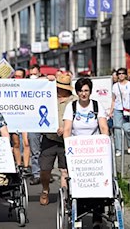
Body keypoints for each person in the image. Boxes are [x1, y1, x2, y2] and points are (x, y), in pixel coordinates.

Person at [63, 77, 109, 229]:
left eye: (86, 91)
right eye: (81, 91)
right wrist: (67, 145)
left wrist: (105, 143)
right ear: (77, 92)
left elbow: (103, 127)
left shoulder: (97, 106)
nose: (83, 94)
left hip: (94, 148)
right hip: (77, 148)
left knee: (97, 179)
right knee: (79, 179)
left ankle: (97, 215)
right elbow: (67, 129)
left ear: (90, 91)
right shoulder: (72, 106)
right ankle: (79, 209)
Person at [38, 73, 76, 206]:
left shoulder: (73, 101)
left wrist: (65, 128)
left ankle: (65, 195)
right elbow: (32, 85)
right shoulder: (49, 97)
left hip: (66, 140)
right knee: (44, 169)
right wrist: (47, 79)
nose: (60, 90)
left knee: (64, 170)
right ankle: (45, 189)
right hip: (49, 138)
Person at [109, 67, 130, 156]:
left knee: (127, 129)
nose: (121, 75)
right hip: (118, 109)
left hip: (128, 109)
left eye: (122, 73)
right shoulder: (115, 86)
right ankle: (119, 149)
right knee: (117, 129)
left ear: (125, 75)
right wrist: (111, 111)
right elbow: (113, 100)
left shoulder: (129, 84)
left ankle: (129, 146)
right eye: (119, 74)